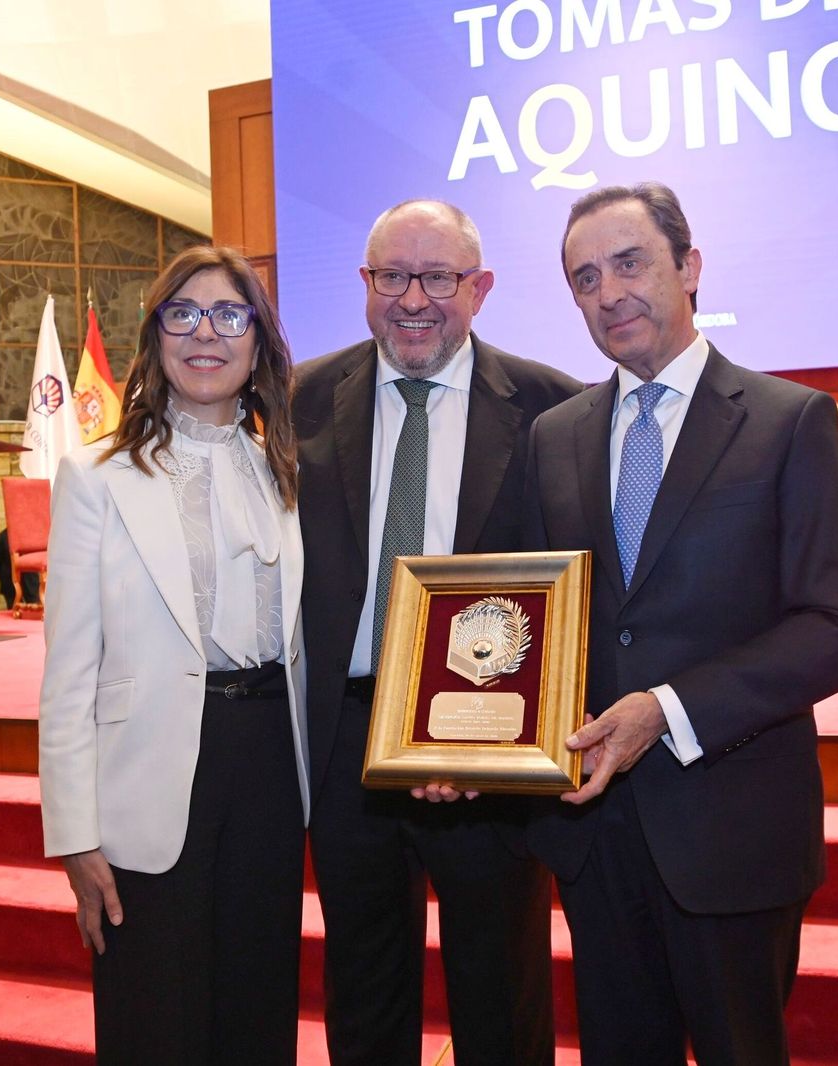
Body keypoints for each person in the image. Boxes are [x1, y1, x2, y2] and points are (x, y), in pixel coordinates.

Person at [523, 182, 838, 1065]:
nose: (607, 293)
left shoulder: (788, 420)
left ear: (689, 267)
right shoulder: (553, 436)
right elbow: (536, 617)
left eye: (629, 263)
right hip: (597, 840)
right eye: (583, 278)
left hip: (734, 833)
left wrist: (670, 709)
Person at [293, 199, 583, 1066]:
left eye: (439, 277)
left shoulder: (551, 410)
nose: (413, 299)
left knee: (502, 997)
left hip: (488, 754)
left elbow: (569, 590)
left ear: (480, 288)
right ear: (365, 285)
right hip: (348, 744)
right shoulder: (301, 398)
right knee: (366, 991)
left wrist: (478, 739)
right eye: (392, 276)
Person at [37, 245, 309, 1065]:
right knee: (157, 1014)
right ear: (156, 336)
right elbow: (67, 673)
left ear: (258, 342)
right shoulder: (96, 475)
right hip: (153, 764)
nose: (206, 333)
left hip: (267, 762)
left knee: (259, 1002)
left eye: (230, 315)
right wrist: (74, 834)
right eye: (182, 314)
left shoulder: (285, 470)